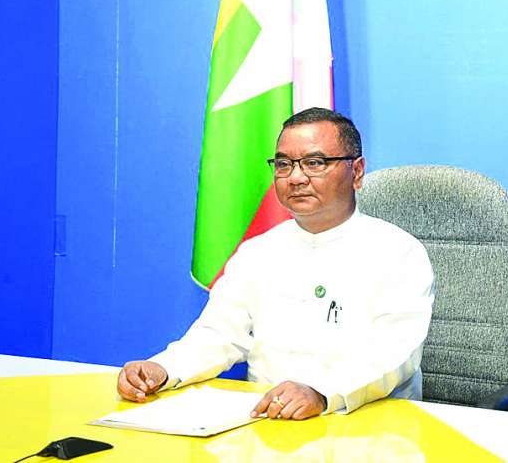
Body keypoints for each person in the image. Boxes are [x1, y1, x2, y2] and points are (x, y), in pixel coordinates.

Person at [117, 108, 434, 420]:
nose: (295, 177)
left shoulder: (399, 252)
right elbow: (219, 334)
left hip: (368, 426)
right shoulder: (257, 252)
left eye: (314, 163)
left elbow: (395, 352)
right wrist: (164, 368)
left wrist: (321, 392)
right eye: (284, 164)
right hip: (268, 421)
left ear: (358, 171)